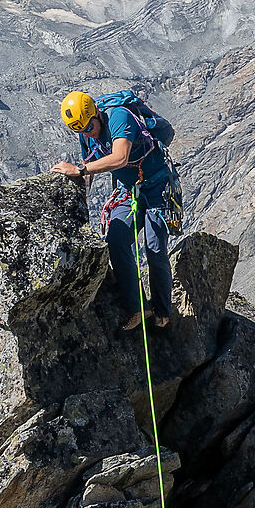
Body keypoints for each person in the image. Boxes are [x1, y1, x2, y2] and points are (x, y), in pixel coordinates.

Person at [51, 89, 179, 330]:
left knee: (154, 249)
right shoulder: (86, 131)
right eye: (80, 131)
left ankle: (162, 312)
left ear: (96, 114)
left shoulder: (119, 117)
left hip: (157, 185)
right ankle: (139, 308)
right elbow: (91, 159)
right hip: (129, 188)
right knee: (117, 241)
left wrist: (80, 171)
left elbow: (120, 157)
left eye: (89, 128)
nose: (88, 133)